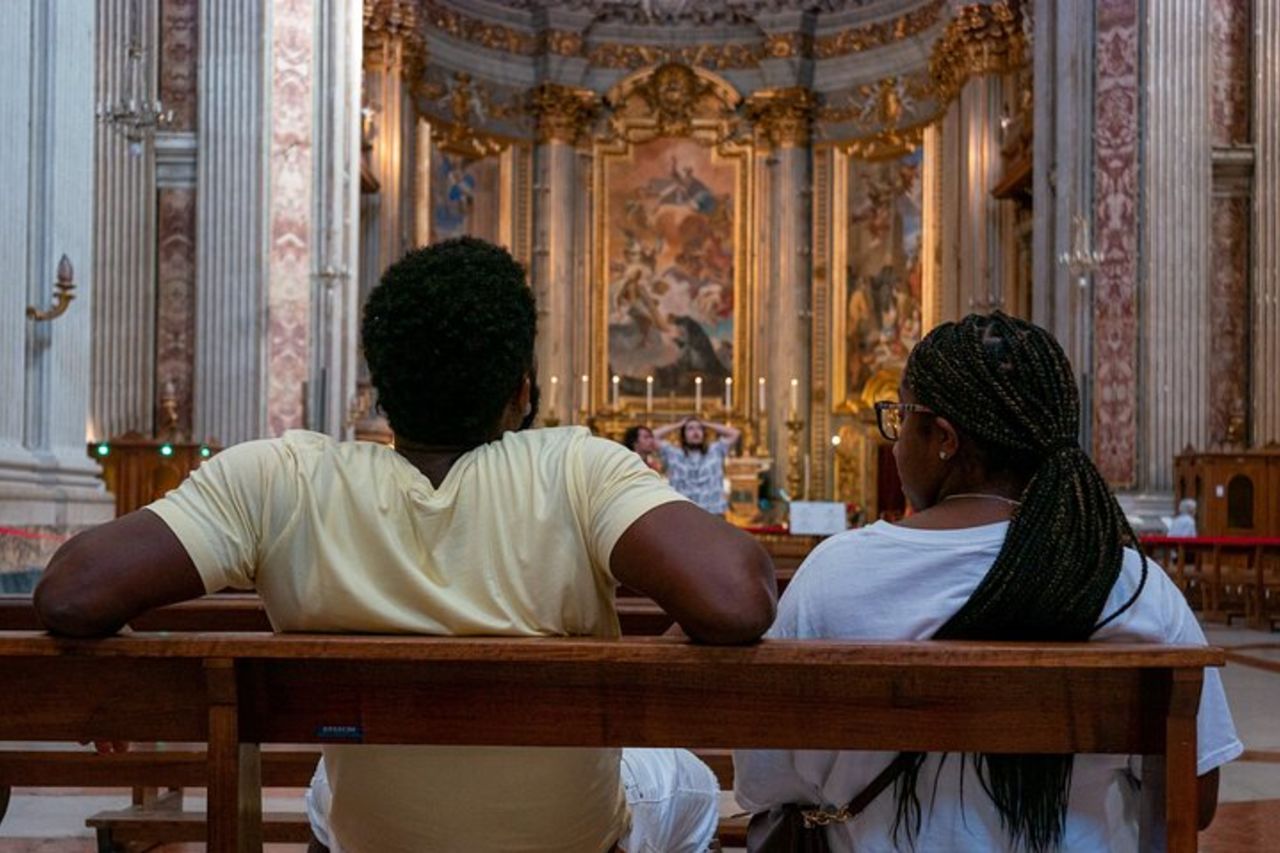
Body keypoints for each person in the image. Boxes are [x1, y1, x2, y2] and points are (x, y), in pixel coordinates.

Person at [34, 237, 777, 853]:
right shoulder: (575, 468)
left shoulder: (280, 477)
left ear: (381, 387)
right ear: (522, 390)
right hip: (572, 835)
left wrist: (122, 680)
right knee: (690, 787)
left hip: (374, 831)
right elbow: (737, 598)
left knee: (333, 788)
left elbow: (70, 590)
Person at [733, 312, 1240, 852]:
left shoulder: (833, 576)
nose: (896, 441)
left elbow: (763, 783)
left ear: (944, 439)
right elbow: (1194, 799)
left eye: (900, 419)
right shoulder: (1127, 582)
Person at [653, 417, 740, 515]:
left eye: (699, 428)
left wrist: (706, 424)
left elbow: (734, 433)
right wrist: (679, 425)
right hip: (684, 512)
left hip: (713, 512)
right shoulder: (673, 453)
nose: (695, 432)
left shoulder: (715, 450)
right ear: (683, 435)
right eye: (690, 429)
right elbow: (653, 436)